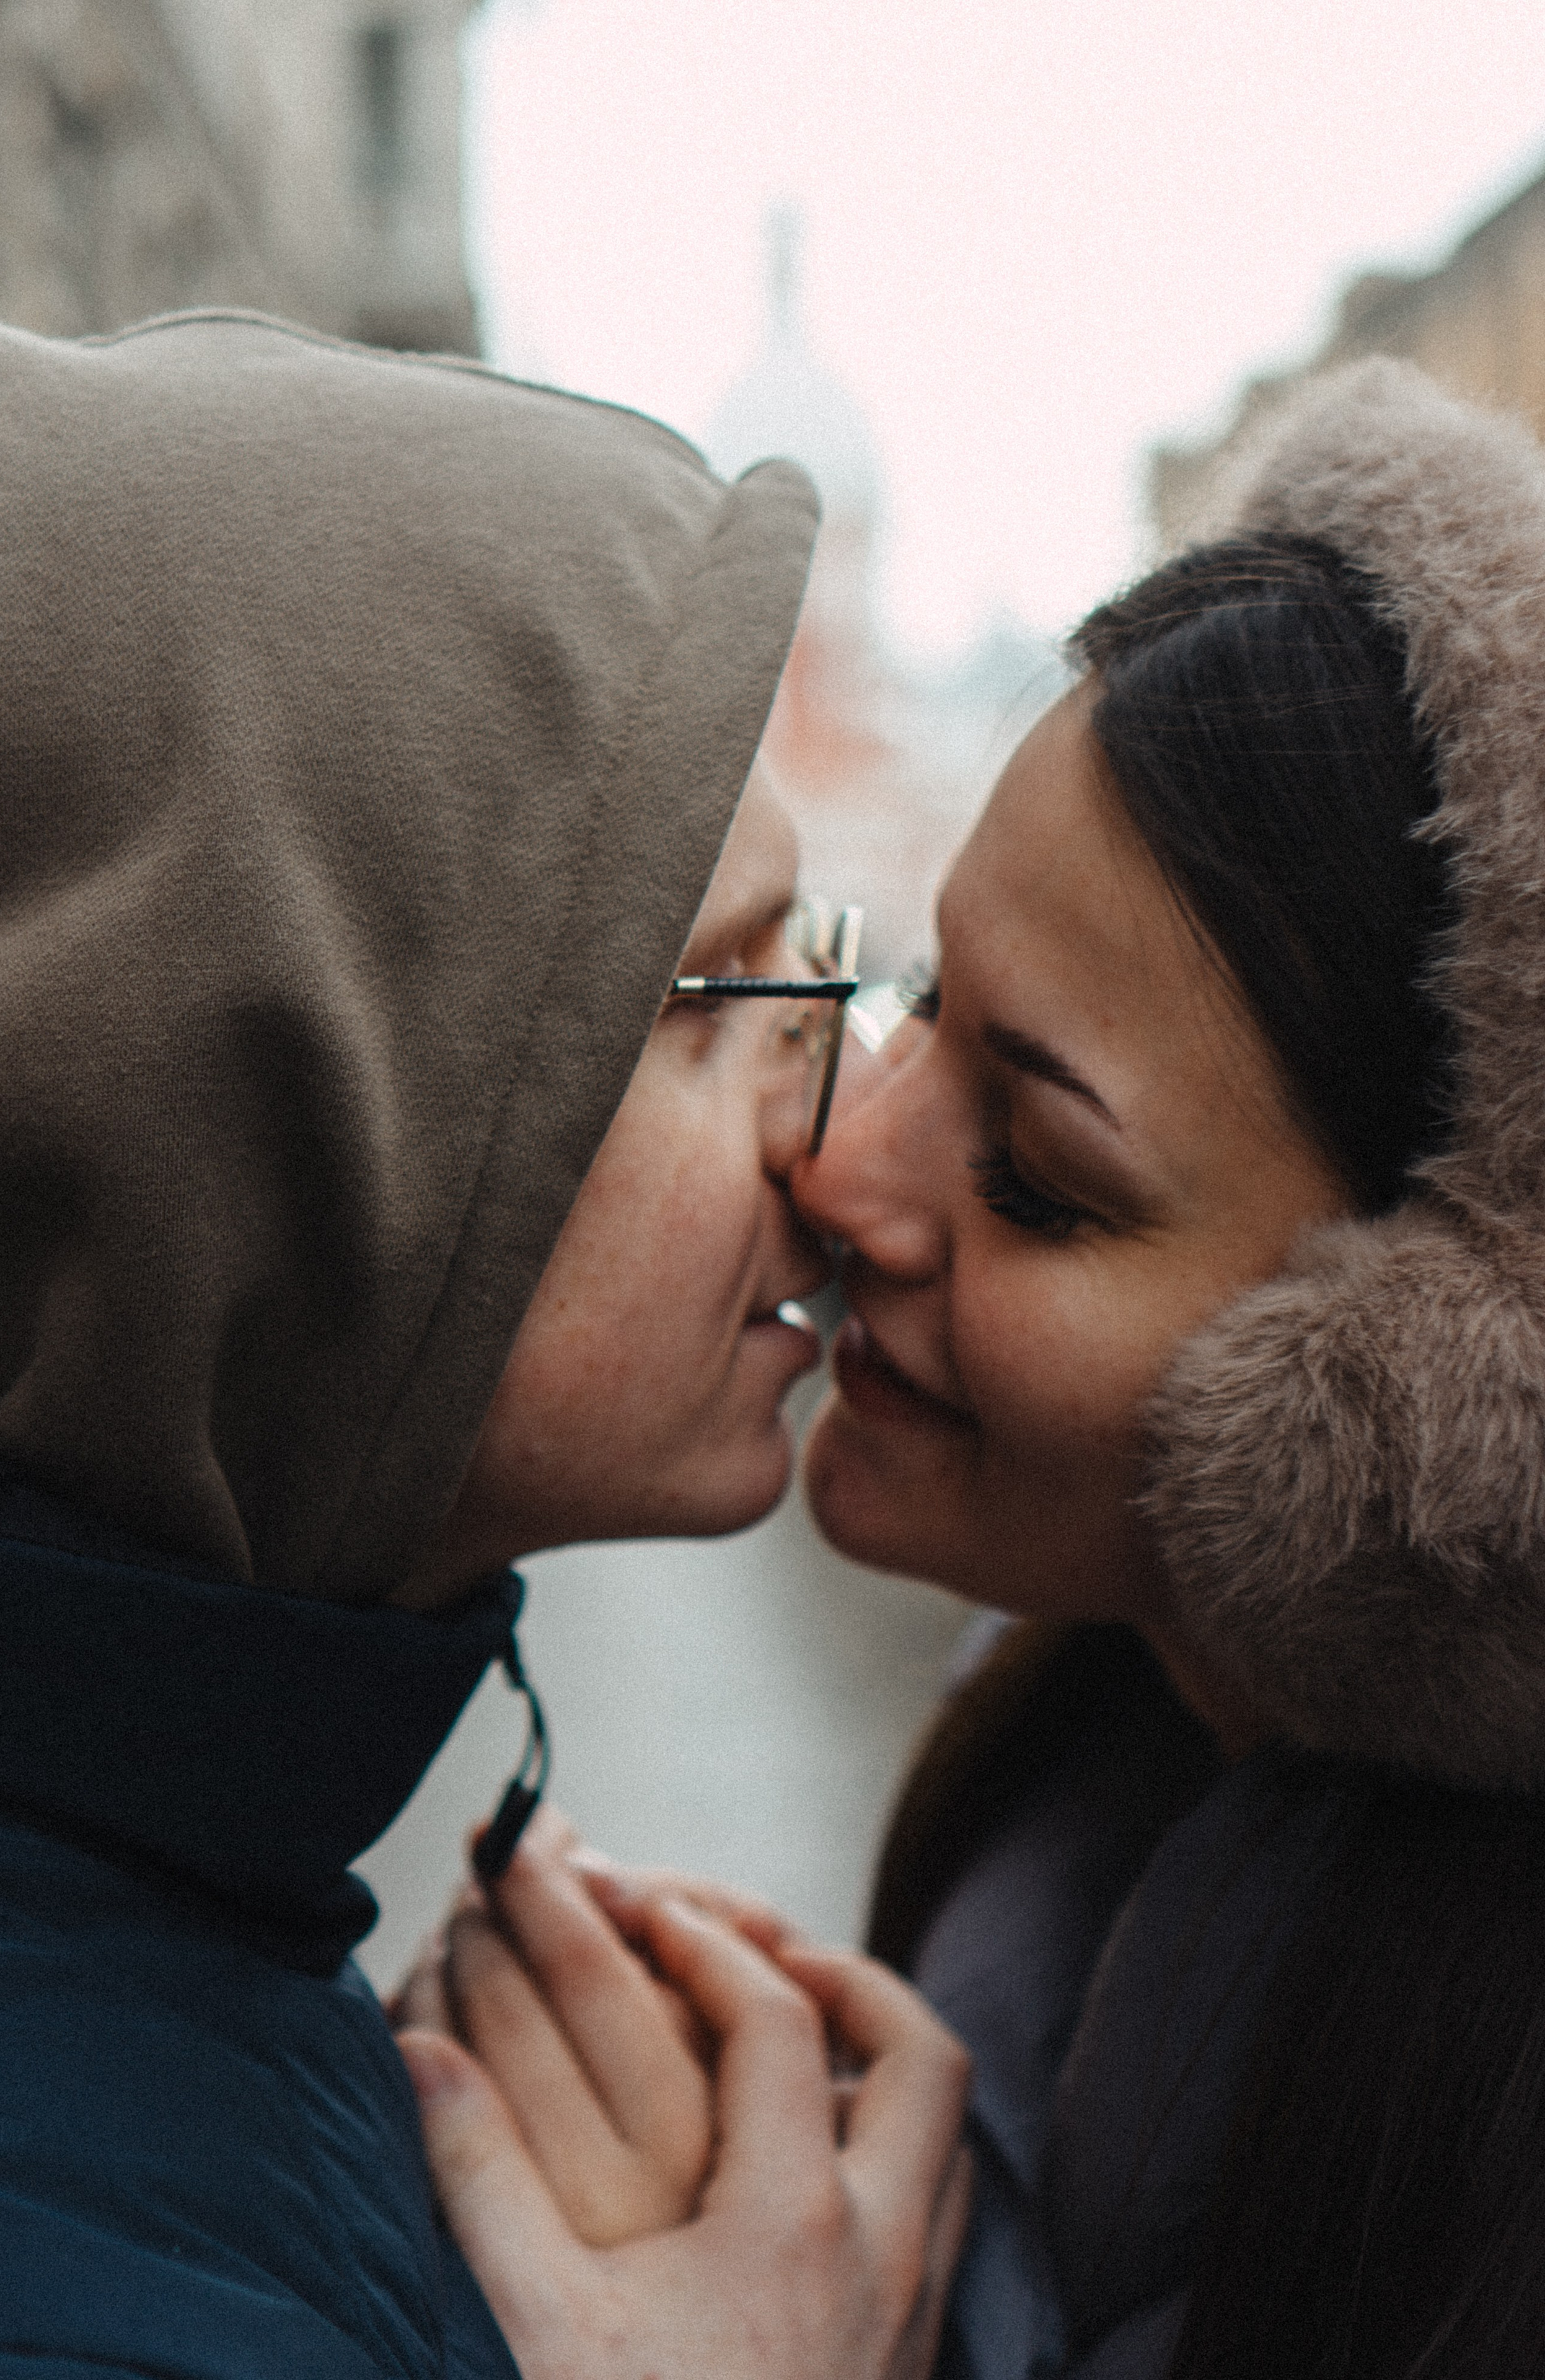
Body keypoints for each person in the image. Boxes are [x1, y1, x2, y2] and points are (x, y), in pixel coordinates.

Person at [411, 359, 1545, 2378]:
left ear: (1424, 1429)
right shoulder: (1081, 1788)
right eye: (920, 995)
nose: (838, 1159)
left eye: (1038, 1175)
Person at [0, 307, 971, 2379]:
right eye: (709, 998)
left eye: (832, 973)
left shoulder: (177, 1894)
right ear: (262, 1140)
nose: (854, 1141)